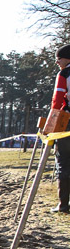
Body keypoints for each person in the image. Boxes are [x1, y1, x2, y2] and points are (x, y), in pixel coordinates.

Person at [45, 44, 70, 213]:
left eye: (58, 58)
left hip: (66, 120)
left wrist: (51, 125)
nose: (56, 62)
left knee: (63, 161)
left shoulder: (64, 74)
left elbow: (57, 100)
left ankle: (63, 204)